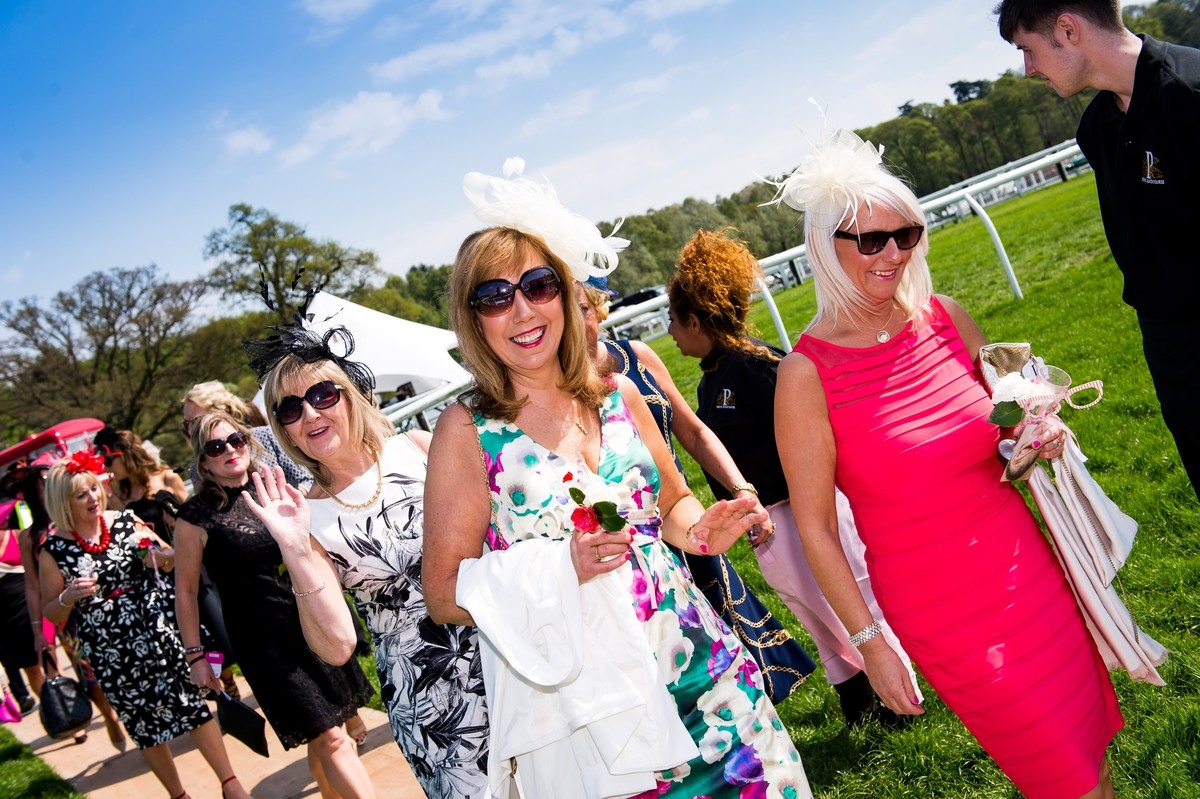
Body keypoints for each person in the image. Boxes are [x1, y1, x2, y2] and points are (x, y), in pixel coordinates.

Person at [422, 160, 811, 798]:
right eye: (495, 296)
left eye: (539, 285)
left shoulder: (618, 394)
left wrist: (700, 530)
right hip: (598, 715)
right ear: (474, 319)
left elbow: (673, 502)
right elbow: (442, 594)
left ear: (566, 293)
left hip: (704, 675)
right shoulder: (466, 432)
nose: (521, 309)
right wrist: (559, 567)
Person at [770, 126, 1123, 798]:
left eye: (906, 233)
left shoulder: (950, 318)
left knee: (1087, 748)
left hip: (1028, 568)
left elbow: (1001, 426)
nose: (894, 253)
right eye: (872, 240)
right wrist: (871, 642)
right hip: (942, 608)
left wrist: (1033, 436)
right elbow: (813, 526)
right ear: (826, 247)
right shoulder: (804, 374)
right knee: (1057, 770)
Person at [664, 227, 917, 726]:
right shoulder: (712, 380)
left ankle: (901, 698)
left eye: (674, 321)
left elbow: (815, 431)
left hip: (808, 514)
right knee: (814, 614)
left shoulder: (757, 366)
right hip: (769, 527)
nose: (670, 333)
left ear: (696, 320)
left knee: (852, 603)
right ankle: (858, 702)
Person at [240, 324, 491, 799]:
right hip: (431, 694)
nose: (309, 413)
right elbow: (336, 646)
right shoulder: (305, 518)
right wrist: (295, 549)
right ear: (283, 428)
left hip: (501, 648)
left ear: (351, 393)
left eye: (321, 394)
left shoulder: (419, 448)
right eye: (290, 408)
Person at [576, 278, 817, 705]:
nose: (579, 320)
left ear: (599, 307)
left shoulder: (636, 356)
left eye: (586, 307)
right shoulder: (555, 391)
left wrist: (742, 489)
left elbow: (693, 430)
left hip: (684, 518)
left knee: (739, 660)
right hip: (631, 544)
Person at [996, 0, 1200, 500]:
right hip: (1172, 350)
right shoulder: (1097, 127)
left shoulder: (1190, 91)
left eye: (1029, 50)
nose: (1028, 69)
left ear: (1068, 29)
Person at [175, 412, 377, 799]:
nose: (231, 451)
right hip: (264, 646)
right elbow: (185, 591)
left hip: (310, 623)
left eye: (235, 440)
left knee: (326, 734)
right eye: (216, 447)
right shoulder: (194, 517)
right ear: (202, 460)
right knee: (332, 736)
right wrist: (194, 655)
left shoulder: (272, 487)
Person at [38, 452, 251, 799]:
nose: (93, 497)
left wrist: (159, 558)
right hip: (112, 650)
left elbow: (172, 559)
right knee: (145, 724)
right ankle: (178, 794)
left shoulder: (124, 521)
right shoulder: (54, 551)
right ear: (64, 501)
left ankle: (231, 784)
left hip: (159, 632)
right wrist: (68, 597)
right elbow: (53, 614)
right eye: (81, 494)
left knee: (193, 705)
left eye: (93, 488)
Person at [8, 453, 125, 748]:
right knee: (86, 670)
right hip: (66, 613)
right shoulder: (30, 537)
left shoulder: (84, 519)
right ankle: (109, 716)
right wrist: (38, 631)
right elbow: (33, 587)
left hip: (105, 601)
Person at [182, 380, 312, 491]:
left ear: (221, 412)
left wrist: (287, 499)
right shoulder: (196, 470)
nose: (190, 428)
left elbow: (306, 480)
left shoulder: (266, 436)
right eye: (186, 422)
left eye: (195, 421)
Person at [98, 429, 188, 540]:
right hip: (152, 555)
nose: (106, 467)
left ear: (126, 456)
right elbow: (128, 533)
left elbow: (195, 517)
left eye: (108, 461)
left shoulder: (167, 477)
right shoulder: (116, 494)